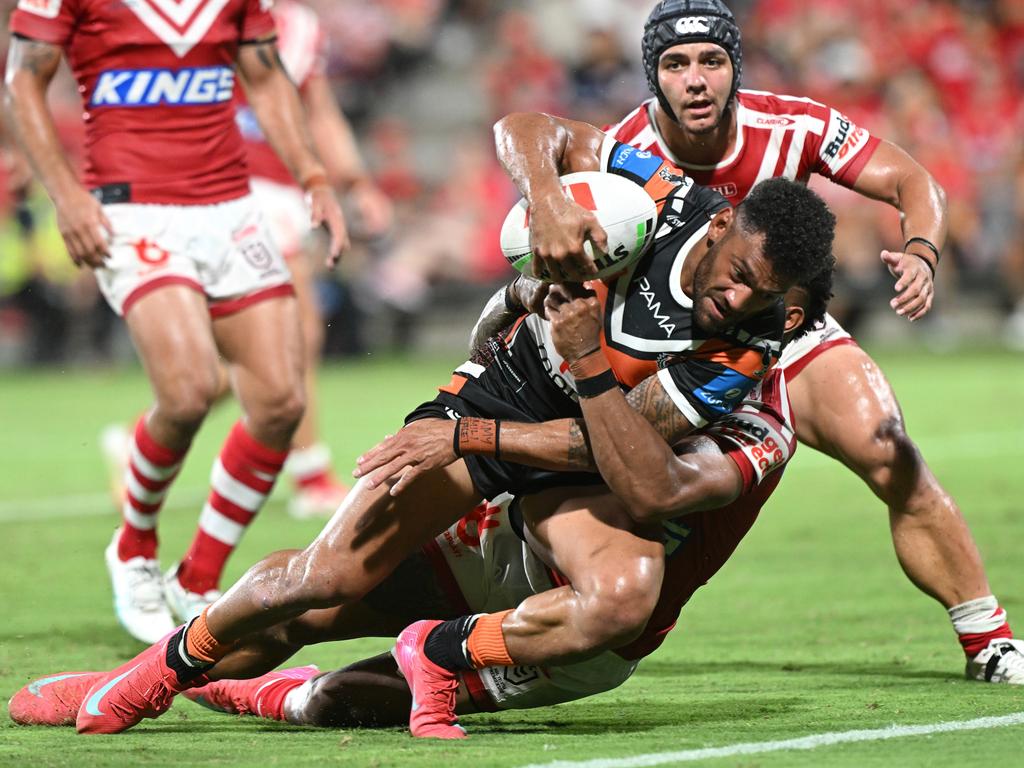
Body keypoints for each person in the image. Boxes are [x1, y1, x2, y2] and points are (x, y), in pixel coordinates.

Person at [61, 139, 836, 735]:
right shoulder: (663, 197)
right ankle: (160, 668)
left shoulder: (750, 346)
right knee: (325, 575)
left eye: (760, 296)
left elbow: (621, 459)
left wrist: (523, 405)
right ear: (724, 223)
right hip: (508, 386)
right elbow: (527, 128)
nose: (737, 300)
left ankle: (436, 650)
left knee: (623, 598)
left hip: (576, 454)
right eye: (737, 274)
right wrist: (546, 198)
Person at [490, 0, 1023, 685]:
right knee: (635, 494)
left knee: (889, 450)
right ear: (653, 75)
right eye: (676, 64)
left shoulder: (793, 124)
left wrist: (920, 250)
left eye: (711, 61)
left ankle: (988, 639)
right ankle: (527, 610)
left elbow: (909, 179)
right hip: (676, 351)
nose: (696, 80)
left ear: (734, 69)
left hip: (783, 333)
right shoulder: (621, 150)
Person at [4, 0, 348, 643]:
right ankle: (133, 549)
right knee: (189, 391)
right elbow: (22, 78)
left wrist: (313, 175)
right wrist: (66, 195)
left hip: (230, 209)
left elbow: (268, 78)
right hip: (130, 210)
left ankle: (195, 580)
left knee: (279, 400)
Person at [237, 0, 392, 520]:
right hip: (229, 187)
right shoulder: (202, 15)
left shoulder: (299, 28)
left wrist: (355, 181)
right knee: (298, 330)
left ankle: (144, 434)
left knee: (255, 346)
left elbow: (319, 111)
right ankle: (310, 472)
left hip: (283, 187)